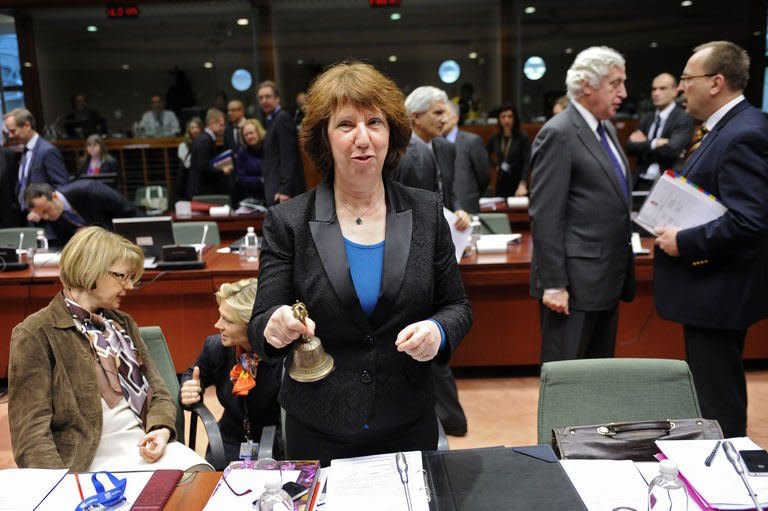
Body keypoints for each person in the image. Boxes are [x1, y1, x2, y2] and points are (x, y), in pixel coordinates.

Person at [248, 61, 472, 465]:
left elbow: (457, 307)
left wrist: (438, 331)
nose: (363, 139)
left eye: (375, 122)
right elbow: (261, 323)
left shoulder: (425, 211)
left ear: (392, 132)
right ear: (324, 138)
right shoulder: (289, 222)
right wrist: (275, 326)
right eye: (346, 125)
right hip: (319, 430)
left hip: (408, 422)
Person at [8, 226, 210, 472]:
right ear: (90, 270)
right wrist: (60, 489)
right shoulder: (36, 332)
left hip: (148, 448)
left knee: (203, 480)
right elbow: (31, 435)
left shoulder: (122, 324)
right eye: (121, 276)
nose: (130, 286)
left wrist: (160, 430)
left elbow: (159, 393)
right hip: (84, 462)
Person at [653, 41, 768, 438]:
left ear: (716, 82)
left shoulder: (744, 133)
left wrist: (684, 241)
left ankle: (727, 483)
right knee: (711, 393)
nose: (682, 88)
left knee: (718, 399)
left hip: (719, 291)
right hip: (710, 289)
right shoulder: (723, 130)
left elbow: (751, 220)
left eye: (687, 79)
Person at [529, 46, 635, 363]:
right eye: (615, 83)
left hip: (606, 278)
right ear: (587, 84)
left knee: (598, 382)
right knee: (568, 381)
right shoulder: (559, 132)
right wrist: (554, 284)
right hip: (572, 287)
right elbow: (546, 215)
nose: (623, 93)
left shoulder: (608, 129)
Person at [180, 279, 281, 464]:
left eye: (228, 320)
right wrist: (189, 387)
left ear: (252, 325)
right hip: (230, 440)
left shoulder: (282, 356)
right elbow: (192, 374)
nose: (218, 325)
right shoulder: (216, 347)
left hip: (277, 442)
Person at [392, 86, 471, 232]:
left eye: (445, 113)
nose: (445, 119)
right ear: (415, 117)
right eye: (438, 113)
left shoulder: (446, 147)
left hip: (444, 232)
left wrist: (458, 210)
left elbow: (447, 190)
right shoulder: (398, 152)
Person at [625, 73, 695, 193]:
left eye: (662, 88)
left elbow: (673, 150)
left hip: (667, 181)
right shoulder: (647, 117)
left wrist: (644, 144)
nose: (656, 93)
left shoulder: (684, 117)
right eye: (654, 89)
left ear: (674, 91)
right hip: (640, 180)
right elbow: (630, 147)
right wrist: (655, 143)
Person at [25, 181, 142, 247]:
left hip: (125, 241)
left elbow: (129, 212)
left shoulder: (89, 190)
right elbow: (65, 244)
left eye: (46, 211)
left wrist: (94, 232)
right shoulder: (52, 213)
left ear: (54, 197)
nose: (46, 217)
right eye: (41, 215)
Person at [4, 108, 69, 217]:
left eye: (13, 131)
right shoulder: (24, 151)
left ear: (27, 126)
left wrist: (43, 209)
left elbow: (62, 187)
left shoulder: (47, 151)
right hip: (26, 217)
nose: (10, 136)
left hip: (46, 219)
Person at [257, 80, 306, 205]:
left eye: (268, 97)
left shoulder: (282, 118)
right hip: (275, 189)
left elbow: (288, 156)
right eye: (261, 98)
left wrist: (285, 189)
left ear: (277, 99)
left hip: (283, 194)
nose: (264, 101)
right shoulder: (271, 120)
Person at [443, 101, 490, 214]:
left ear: (456, 118)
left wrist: (471, 195)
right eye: (438, 114)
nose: (442, 119)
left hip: (467, 207)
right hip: (442, 209)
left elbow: (484, 176)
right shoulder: (434, 142)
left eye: (444, 114)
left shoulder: (472, 141)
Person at [486, 104, 531, 198]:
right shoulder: (495, 138)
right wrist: (495, 165)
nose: (506, 120)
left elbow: (527, 162)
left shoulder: (523, 137)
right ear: (499, 119)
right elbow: (484, 155)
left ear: (515, 118)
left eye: (510, 116)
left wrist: (523, 183)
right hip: (501, 181)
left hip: (518, 182)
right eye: (503, 117)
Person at [186, 108, 227, 199]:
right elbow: (203, 166)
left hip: (200, 189)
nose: (223, 128)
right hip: (201, 190)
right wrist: (222, 170)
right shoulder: (205, 141)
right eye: (221, 125)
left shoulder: (205, 139)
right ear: (212, 123)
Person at [230, 118, 267, 207]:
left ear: (258, 132)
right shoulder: (243, 152)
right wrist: (260, 180)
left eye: (251, 133)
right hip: (251, 197)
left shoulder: (268, 147)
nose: (249, 137)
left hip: (271, 194)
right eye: (245, 135)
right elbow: (241, 178)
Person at [176, 117, 203, 200]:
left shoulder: (205, 143)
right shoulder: (183, 146)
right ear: (188, 130)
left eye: (197, 127)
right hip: (189, 180)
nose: (195, 130)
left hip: (203, 179)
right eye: (192, 128)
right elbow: (187, 164)